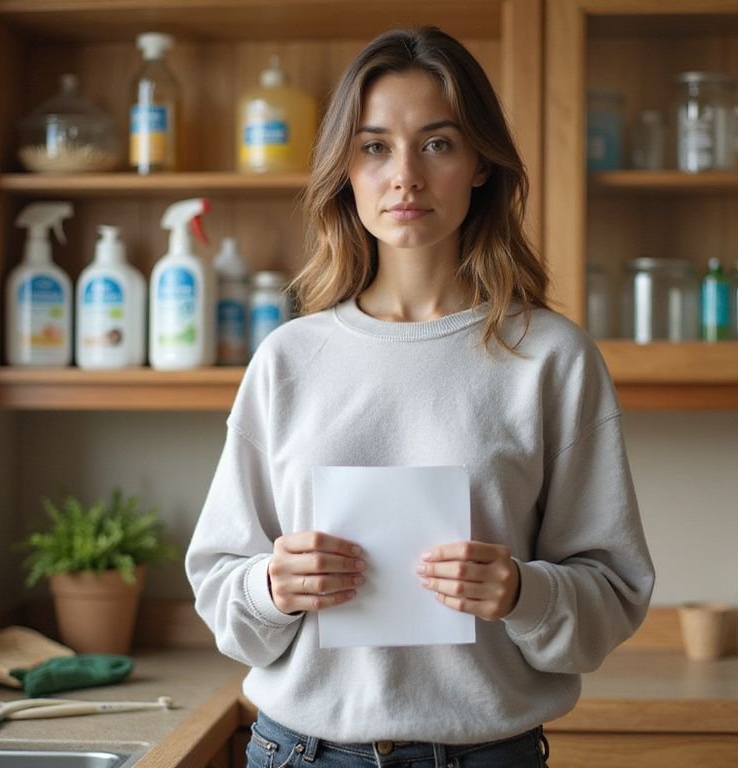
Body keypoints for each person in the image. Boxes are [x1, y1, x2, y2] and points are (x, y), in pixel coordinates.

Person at [185, 26, 654, 768]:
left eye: (436, 144)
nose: (404, 176)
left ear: (478, 165)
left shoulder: (552, 360)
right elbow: (220, 590)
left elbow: (614, 596)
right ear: (345, 169)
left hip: (487, 755)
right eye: (374, 147)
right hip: (298, 753)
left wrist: (521, 591)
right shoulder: (287, 359)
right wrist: (272, 585)